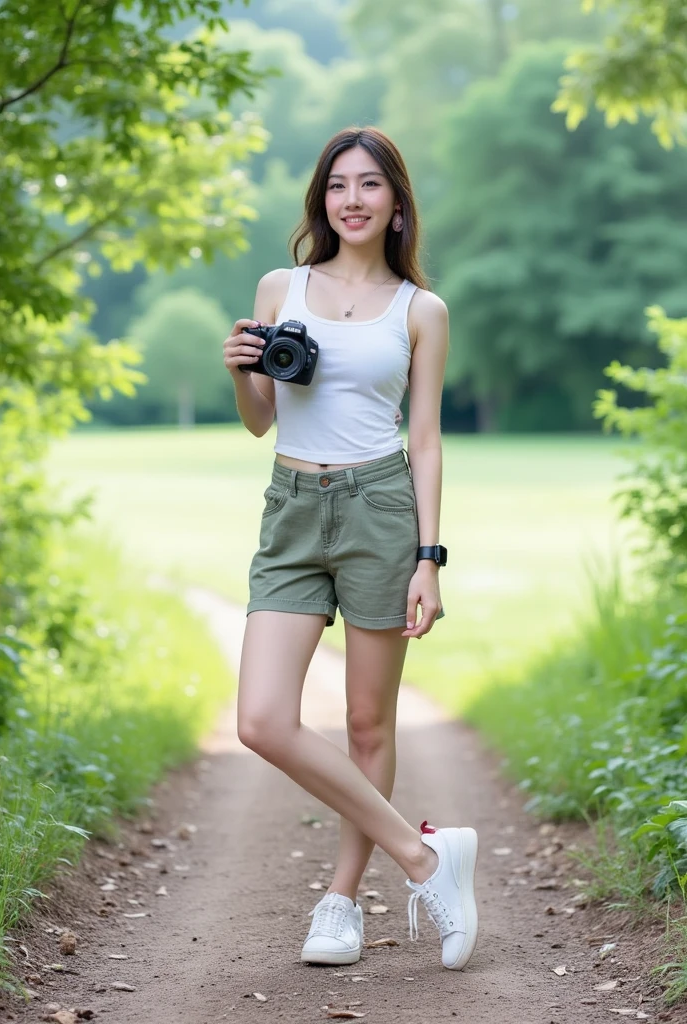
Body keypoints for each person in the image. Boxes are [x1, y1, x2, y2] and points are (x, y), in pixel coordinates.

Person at [222, 126, 478, 971]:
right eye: (338, 185)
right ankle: (426, 858)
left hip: (379, 506)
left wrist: (429, 559)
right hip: (292, 508)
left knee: (369, 722)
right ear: (321, 200)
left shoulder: (421, 310)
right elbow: (262, 418)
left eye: (370, 185)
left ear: (397, 203)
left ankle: (340, 902)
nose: (353, 200)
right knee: (262, 720)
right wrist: (239, 370)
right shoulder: (280, 285)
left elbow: (429, 439)